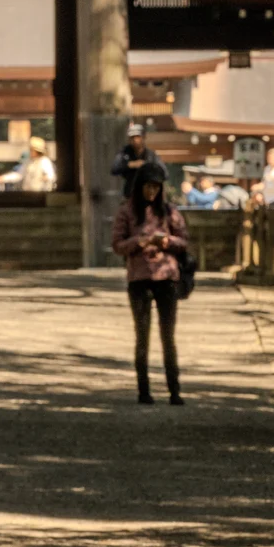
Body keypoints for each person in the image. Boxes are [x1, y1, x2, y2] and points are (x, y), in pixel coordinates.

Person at [110, 161, 189, 406]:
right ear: (139, 187)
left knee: (168, 336)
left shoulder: (169, 211)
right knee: (142, 336)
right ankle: (143, 390)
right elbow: (117, 245)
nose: (151, 192)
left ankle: (174, 390)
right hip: (139, 278)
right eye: (147, 187)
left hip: (166, 277)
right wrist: (138, 242)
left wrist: (166, 242)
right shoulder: (127, 212)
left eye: (156, 187)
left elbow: (184, 241)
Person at [111, 123, 161, 199]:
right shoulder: (124, 153)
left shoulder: (151, 155)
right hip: (130, 195)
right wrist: (130, 165)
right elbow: (114, 168)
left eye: (137, 137)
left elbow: (163, 172)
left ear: (143, 137)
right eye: (132, 137)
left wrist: (147, 167)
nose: (135, 140)